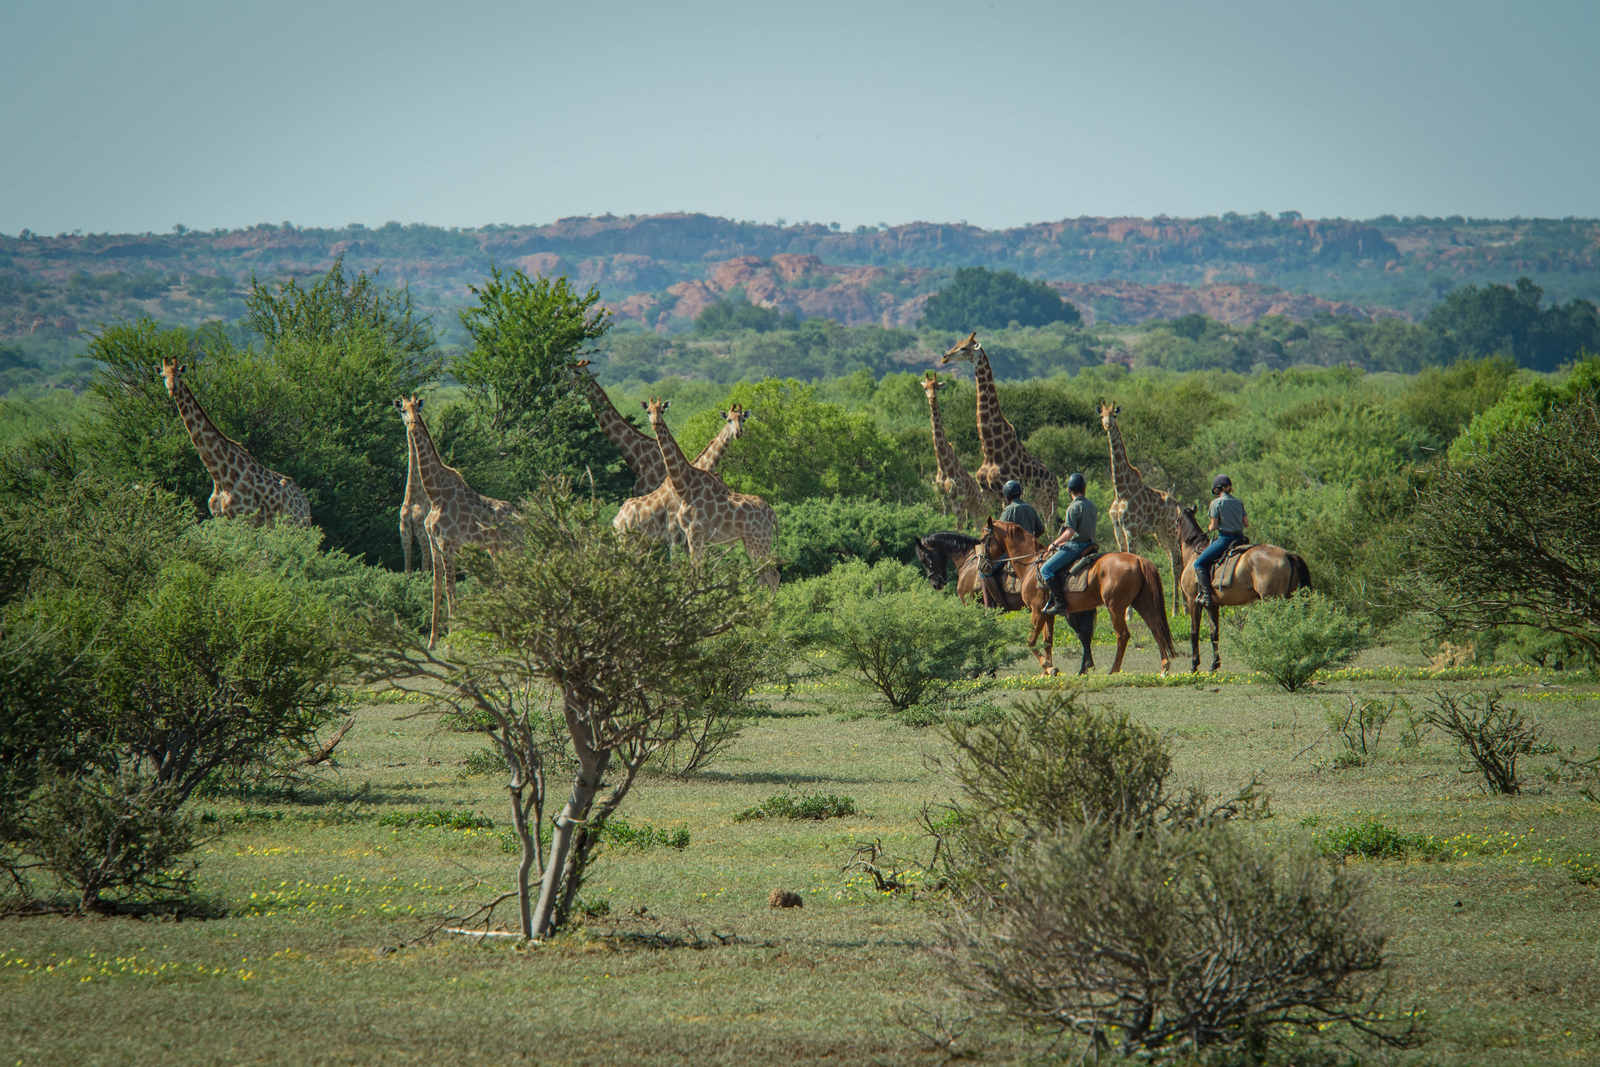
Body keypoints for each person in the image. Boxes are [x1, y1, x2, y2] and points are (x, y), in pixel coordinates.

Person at [1039, 472, 1096, 615]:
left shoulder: (1073, 507)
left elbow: (1069, 533)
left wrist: (1054, 543)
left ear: (1069, 491)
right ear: (1084, 489)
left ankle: (1060, 604)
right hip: (1090, 544)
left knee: (1045, 569)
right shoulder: (1092, 506)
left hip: (1076, 547)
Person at [1194, 474, 1249, 607]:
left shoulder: (1216, 503)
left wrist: (1210, 527)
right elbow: (1246, 524)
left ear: (1217, 490)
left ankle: (1207, 596)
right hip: (1241, 539)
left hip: (1225, 539)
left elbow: (1213, 526)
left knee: (1198, 564)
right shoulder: (1238, 502)